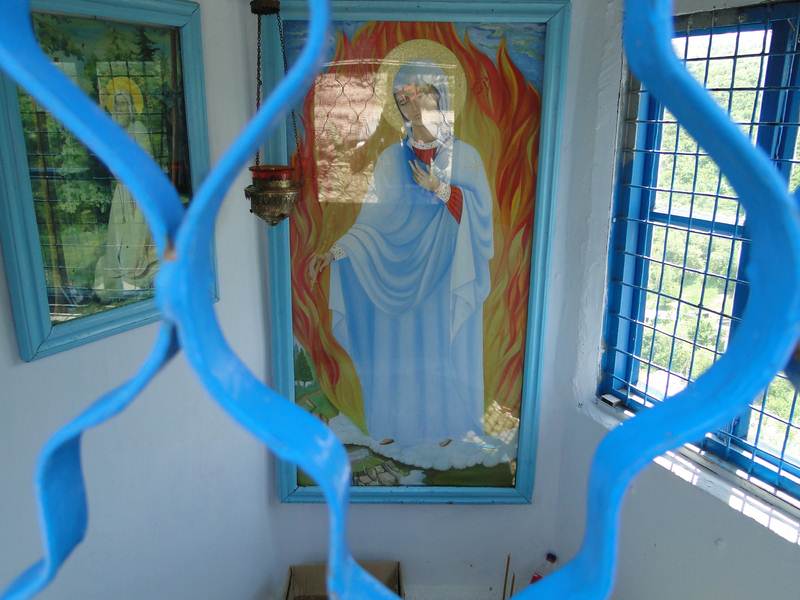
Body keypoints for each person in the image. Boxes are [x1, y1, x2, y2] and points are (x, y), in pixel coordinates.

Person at [308, 58, 494, 450]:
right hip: (392, 275)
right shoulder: (391, 160)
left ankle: (445, 425)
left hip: (444, 273)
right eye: (402, 98)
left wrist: (440, 189)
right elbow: (373, 222)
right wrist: (336, 252)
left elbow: (481, 218)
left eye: (419, 93)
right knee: (394, 351)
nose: (411, 104)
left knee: (437, 349)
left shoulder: (465, 157)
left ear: (439, 97)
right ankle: (392, 423)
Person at [94, 77, 158, 301]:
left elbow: (147, 162)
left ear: (131, 107)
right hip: (122, 192)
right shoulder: (116, 133)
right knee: (119, 238)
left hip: (138, 193)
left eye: (123, 103)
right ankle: (123, 278)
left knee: (136, 239)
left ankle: (136, 274)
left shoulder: (138, 129)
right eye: (116, 104)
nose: (119, 108)